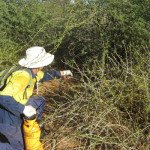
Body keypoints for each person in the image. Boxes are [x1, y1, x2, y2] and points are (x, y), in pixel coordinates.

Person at [0, 46, 73, 150]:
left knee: (39, 101)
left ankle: (31, 124)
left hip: (11, 108)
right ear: (40, 64)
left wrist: (62, 73)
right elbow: (2, 97)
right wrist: (23, 109)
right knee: (20, 146)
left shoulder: (30, 71)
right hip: (7, 117)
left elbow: (44, 76)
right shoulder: (23, 76)